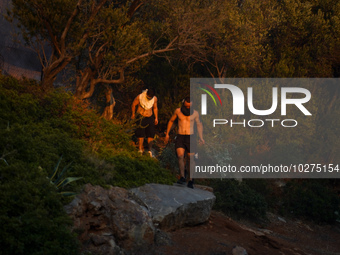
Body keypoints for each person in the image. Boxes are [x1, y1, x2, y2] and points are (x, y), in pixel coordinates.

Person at [165, 97, 204, 188]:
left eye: (189, 106)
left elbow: (199, 125)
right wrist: (167, 133)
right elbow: (171, 121)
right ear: (184, 104)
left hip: (191, 137)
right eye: (186, 106)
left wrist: (201, 137)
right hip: (180, 136)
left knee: (191, 159)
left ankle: (191, 179)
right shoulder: (178, 111)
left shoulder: (195, 113)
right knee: (180, 156)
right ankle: (182, 176)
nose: (187, 107)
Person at [131, 88, 158, 157]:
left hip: (150, 116)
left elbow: (155, 108)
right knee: (140, 133)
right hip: (141, 116)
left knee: (151, 133)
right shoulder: (140, 97)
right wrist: (133, 114)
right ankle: (140, 150)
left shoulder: (154, 99)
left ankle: (149, 150)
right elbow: (134, 104)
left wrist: (156, 118)